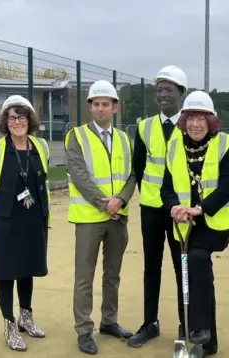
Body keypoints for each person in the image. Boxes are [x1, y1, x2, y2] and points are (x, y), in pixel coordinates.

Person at [161, 90, 229, 356]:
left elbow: (227, 186)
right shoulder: (174, 144)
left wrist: (200, 209)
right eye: (190, 118)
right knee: (197, 275)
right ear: (184, 121)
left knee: (196, 260)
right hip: (184, 223)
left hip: (214, 221)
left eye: (201, 118)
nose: (195, 124)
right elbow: (166, 187)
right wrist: (174, 207)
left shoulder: (225, 143)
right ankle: (208, 341)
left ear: (211, 121)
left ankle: (198, 328)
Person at [64, 80, 136, 355]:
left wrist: (121, 200)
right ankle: (84, 330)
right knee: (85, 276)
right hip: (89, 217)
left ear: (115, 107)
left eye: (106, 104)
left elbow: (132, 175)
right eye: (96, 104)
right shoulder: (76, 136)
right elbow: (78, 173)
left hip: (118, 216)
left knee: (113, 274)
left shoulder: (124, 139)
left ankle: (109, 322)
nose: (100, 108)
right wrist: (103, 203)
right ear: (90, 107)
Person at [0, 95, 52, 352]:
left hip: (33, 218)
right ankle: (9, 325)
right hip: (4, 220)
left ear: (29, 119)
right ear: (5, 121)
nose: (17, 122)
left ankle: (26, 316)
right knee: (5, 272)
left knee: (26, 269)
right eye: (12, 117)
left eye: (22, 117)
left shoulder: (40, 146)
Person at [128, 65, 189, 348]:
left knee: (182, 267)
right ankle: (149, 322)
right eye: (159, 90)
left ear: (181, 93)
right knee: (151, 266)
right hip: (151, 208)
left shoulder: (192, 125)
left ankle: (185, 323)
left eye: (169, 90)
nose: (163, 95)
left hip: (181, 211)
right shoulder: (144, 126)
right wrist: (151, 196)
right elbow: (139, 167)